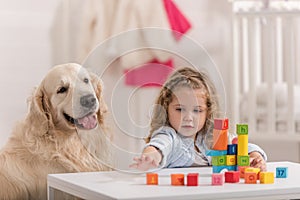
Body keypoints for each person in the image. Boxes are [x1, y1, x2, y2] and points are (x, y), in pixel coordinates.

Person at [130, 67, 267, 171]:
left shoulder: (211, 138)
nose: (188, 118)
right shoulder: (169, 136)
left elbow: (240, 145)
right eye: (180, 109)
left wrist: (254, 156)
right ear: (166, 109)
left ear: (208, 112)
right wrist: (150, 158)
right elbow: (158, 147)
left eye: (197, 110)